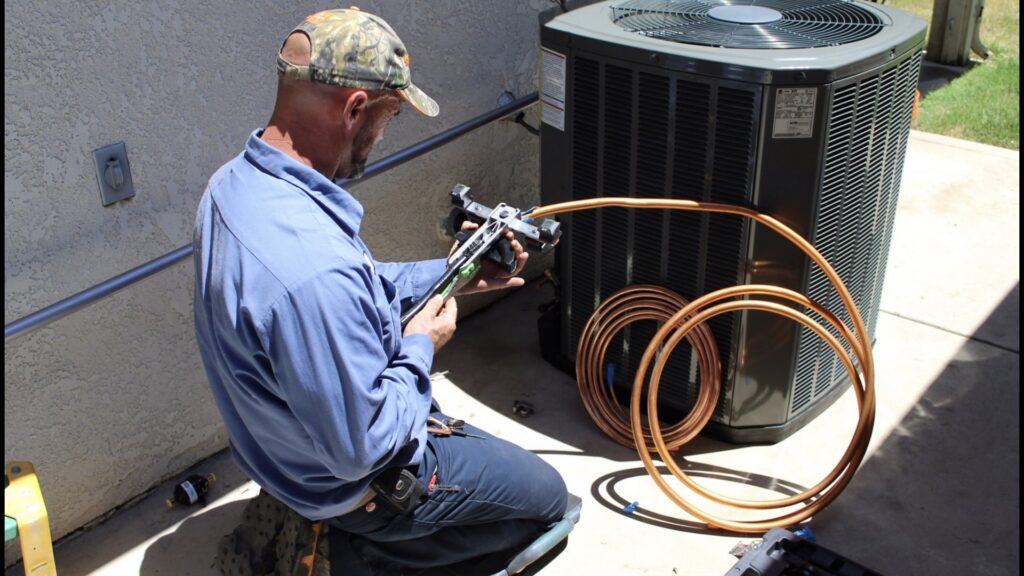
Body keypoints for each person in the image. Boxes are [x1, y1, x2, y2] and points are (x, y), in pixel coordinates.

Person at [192, 7, 568, 574]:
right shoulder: (312, 269)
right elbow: (361, 448)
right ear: (354, 109)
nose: (384, 136)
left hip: (283, 455)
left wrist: (456, 272)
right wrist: (422, 344)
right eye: (389, 118)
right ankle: (355, 552)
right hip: (353, 487)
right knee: (547, 502)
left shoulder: (232, 188)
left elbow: (354, 290)